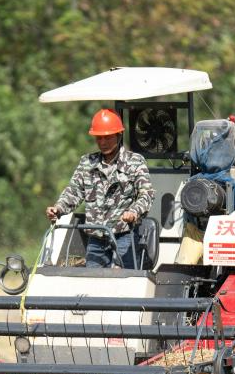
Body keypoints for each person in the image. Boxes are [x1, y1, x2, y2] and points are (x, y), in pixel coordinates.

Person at [46, 108, 154, 268]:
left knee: (125, 284)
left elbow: (147, 194)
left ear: (118, 135)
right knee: (92, 284)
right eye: (99, 138)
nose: (103, 142)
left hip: (125, 235)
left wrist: (134, 212)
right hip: (96, 237)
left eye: (107, 138)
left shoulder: (135, 162)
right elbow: (73, 192)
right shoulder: (87, 163)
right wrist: (58, 208)